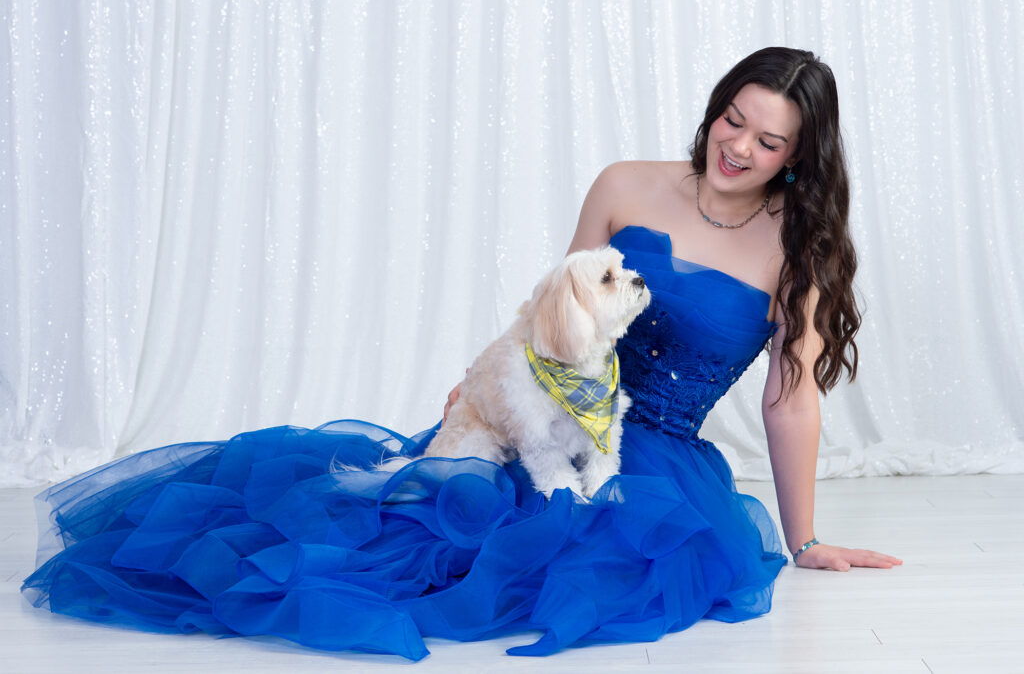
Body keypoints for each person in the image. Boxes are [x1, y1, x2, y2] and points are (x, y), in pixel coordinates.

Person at [23, 47, 900, 661]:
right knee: (411, 521)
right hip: (537, 407)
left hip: (650, 451)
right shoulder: (626, 182)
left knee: (572, 559)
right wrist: (482, 385)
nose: (735, 145)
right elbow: (550, 311)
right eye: (731, 118)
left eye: (766, 140)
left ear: (796, 159)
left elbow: (790, 398)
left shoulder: (798, 247)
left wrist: (807, 536)